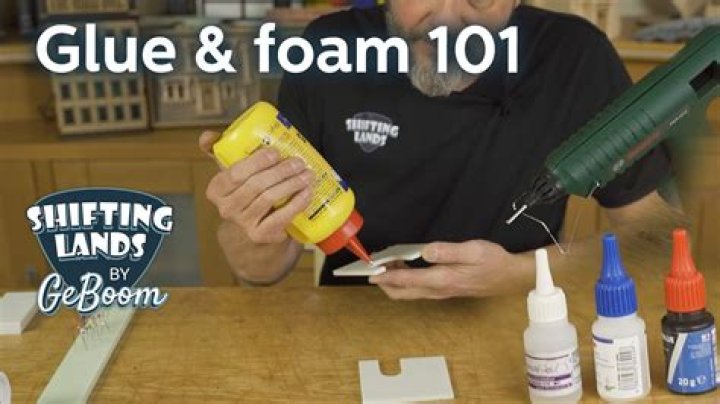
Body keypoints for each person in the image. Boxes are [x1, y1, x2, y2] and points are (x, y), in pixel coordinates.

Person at [199, 0, 686, 299]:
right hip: (354, 328)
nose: (451, 20)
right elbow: (259, 272)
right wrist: (256, 228)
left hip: (525, 324)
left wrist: (522, 274)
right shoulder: (329, 47)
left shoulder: (574, 56)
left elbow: (658, 238)